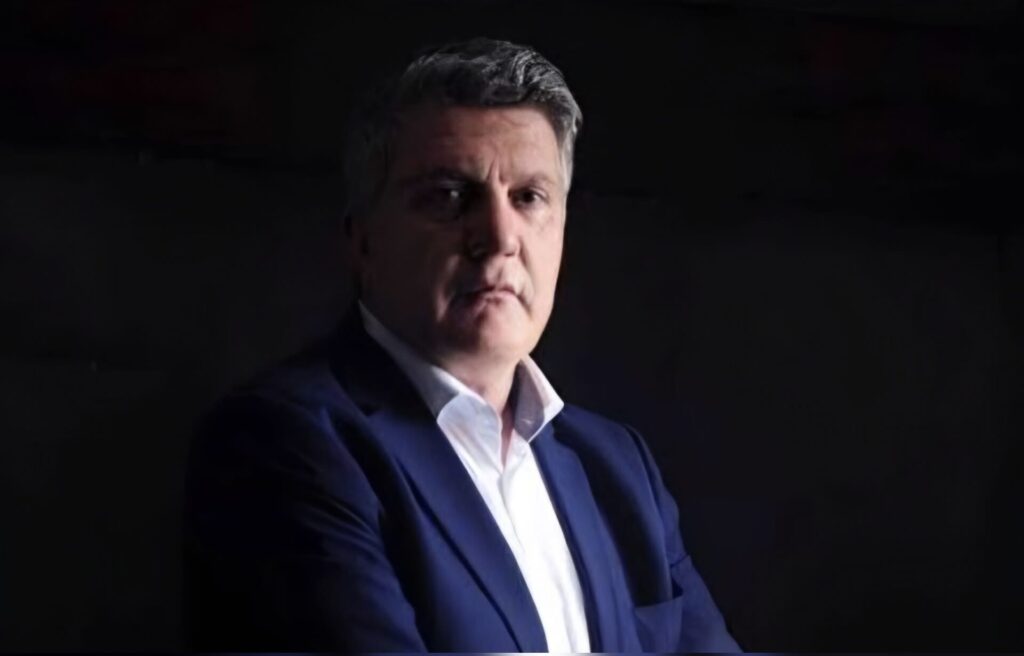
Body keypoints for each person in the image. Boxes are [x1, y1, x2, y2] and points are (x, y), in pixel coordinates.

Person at [183, 37, 740, 653]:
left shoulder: (617, 465)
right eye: (450, 196)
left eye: (529, 197)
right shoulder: (283, 444)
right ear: (363, 242)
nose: (499, 236)